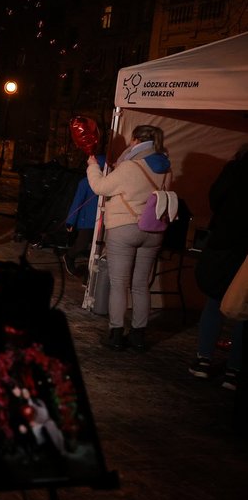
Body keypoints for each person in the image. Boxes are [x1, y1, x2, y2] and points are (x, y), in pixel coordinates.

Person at [87, 125, 170, 352]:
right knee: (141, 284)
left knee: (119, 284)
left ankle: (115, 334)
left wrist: (93, 167)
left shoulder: (131, 166)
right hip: (153, 231)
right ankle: (138, 335)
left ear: (134, 140)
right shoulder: (165, 166)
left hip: (125, 228)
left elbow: (99, 187)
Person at [189, 146, 248, 390]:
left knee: (214, 300)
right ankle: (234, 371)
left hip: (224, 243)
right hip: (245, 251)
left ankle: (204, 360)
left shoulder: (234, 170)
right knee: (245, 308)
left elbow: (215, 198)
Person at [64, 154, 105, 279]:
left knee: (96, 249)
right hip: (86, 220)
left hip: (101, 222)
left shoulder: (106, 182)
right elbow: (77, 202)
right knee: (81, 244)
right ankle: (69, 256)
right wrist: (70, 221)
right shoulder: (85, 183)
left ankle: (89, 276)